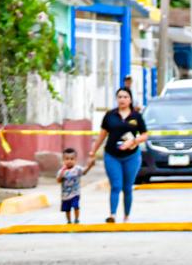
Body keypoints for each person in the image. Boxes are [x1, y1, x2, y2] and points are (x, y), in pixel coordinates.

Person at [88, 87, 148, 223]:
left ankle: (126, 216)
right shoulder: (110, 115)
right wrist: (92, 152)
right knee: (116, 185)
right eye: (120, 97)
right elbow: (102, 135)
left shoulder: (136, 116)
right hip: (112, 155)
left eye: (125, 97)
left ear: (130, 99)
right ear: (117, 99)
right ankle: (112, 215)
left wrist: (134, 141)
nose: (122, 99)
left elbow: (145, 135)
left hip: (132, 156)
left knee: (127, 187)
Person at [56, 147, 93, 224]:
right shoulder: (62, 171)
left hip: (75, 193)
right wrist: (61, 176)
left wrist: (90, 166)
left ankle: (76, 219)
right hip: (65, 195)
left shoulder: (77, 169)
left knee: (76, 206)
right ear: (63, 160)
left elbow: (84, 172)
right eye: (67, 159)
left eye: (72, 159)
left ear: (75, 160)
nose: (69, 161)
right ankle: (69, 221)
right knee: (67, 209)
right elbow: (58, 181)